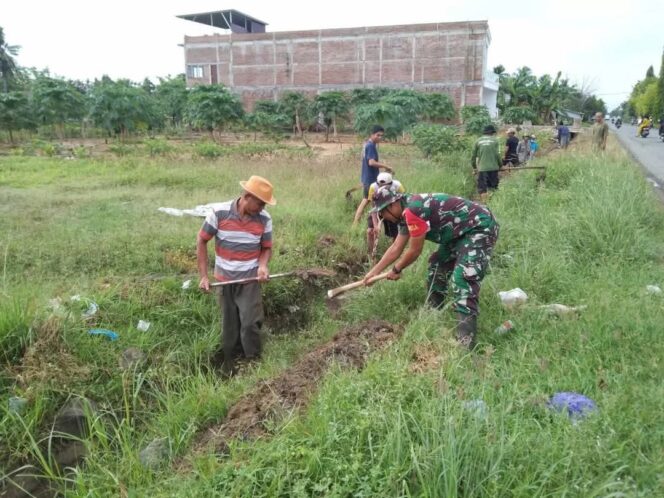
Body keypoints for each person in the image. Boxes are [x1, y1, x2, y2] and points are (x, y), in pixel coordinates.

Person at [363, 189, 499, 349]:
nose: (382, 218)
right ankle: (435, 313)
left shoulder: (414, 210)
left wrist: (397, 269)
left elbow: (414, 251)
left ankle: (466, 343)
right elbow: (396, 248)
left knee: (462, 279)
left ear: (392, 205)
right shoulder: (405, 212)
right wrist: (374, 272)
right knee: (437, 265)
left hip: (479, 228)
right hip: (459, 233)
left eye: (382, 213)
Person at [197, 175, 276, 376]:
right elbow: (202, 240)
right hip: (224, 279)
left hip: (250, 279)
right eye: (260, 203)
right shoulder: (219, 213)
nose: (262, 208)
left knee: (250, 322)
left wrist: (263, 266)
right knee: (229, 326)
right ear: (247, 196)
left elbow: (266, 248)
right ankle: (230, 363)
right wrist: (204, 276)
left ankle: (253, 363)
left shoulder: (264, 219)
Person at [352, 125, 393, 225]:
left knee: (372, 202)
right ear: (372, 134)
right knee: (366, 201)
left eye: (381, 136)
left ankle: (372, 224)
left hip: (368, 178)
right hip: (370, 180)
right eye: (378, 135)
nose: (380, 137)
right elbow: (371, 162)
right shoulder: (370, 146)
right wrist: (386, 166)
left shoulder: (369, 144)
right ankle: (355, 224)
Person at [366, 172, 405, 260]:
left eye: (385, 185)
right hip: (378, 209)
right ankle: (371, 255)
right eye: (380, 185)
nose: (382, 187)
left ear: (390, 183)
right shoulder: (373, 187)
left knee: (395, 234)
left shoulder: (398, 186)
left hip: (392, 210)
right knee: (370, 231)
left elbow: (402, 202)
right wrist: (376, 225)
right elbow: (373, 207)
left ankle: (394, 254)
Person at [470, 124, 502, 203]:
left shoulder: (478, 141)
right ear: (492, 132)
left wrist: (474, 167)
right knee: (493, 187)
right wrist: (500, 165)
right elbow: (497, 155)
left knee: (482, 188)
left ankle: (485, 205)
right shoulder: (495, 141)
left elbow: (473, 156)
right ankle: (493, 204)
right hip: (494, 168)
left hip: (482, 168)